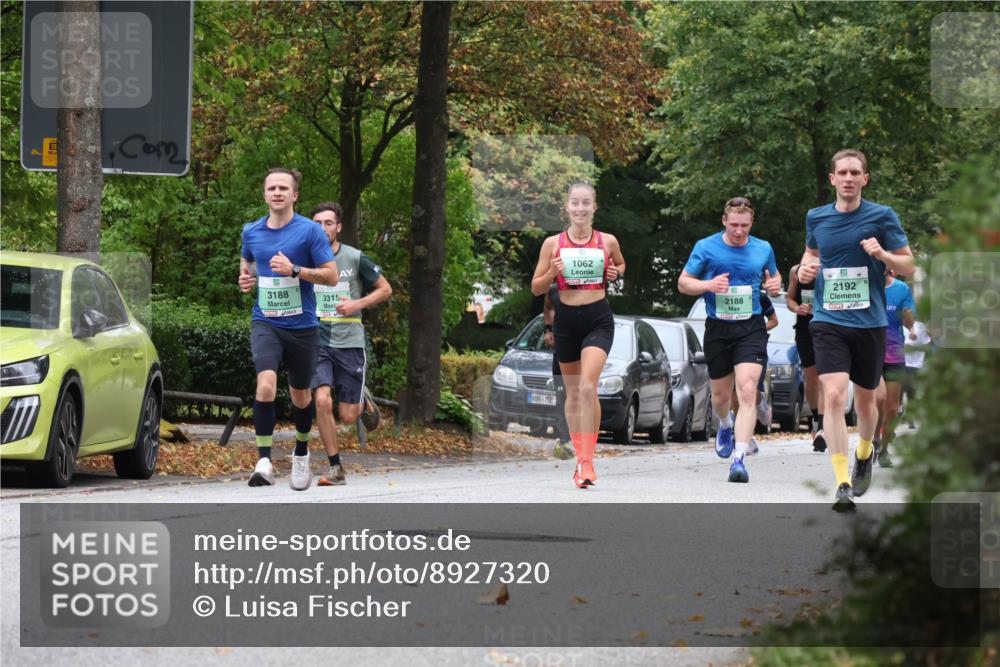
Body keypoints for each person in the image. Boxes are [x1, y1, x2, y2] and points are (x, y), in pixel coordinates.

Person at [796, 149, 915, 512]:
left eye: (855, 172)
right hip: (828, 320)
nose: (848, 178)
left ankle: (864, 452)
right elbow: (810, 255)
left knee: (867, 401)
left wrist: (883, 256)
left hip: (870, 323)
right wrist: (805, 270)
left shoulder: (882, 216)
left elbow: (909, 266)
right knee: (833, 396)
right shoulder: (816, 216)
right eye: (842, 173)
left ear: (865, 178)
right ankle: (842, 483)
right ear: (832, 178)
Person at [238, 168, 339, 490]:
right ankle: (264, 461)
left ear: (294, 194)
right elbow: (248, 262)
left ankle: (301, 452)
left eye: (283, 188)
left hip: (302, 326)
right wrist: (246, 278)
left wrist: (295, 269)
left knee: (300, 395)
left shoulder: (310, 232)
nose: (277, 192)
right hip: (266, 321)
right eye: (272, 188)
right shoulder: (251, 231)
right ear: (264, 194)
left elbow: (332, 276)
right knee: (265, 384)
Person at [678, 197, 781, 483]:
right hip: (718, 328)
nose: (739, 231)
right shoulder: (706, 247)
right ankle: (725, 424)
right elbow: (683, 282)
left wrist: (775, 286)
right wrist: (708, 285)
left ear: (752, 223)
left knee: (747, 390)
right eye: (734, 225)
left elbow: (774, 280)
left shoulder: (763, 248)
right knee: (721, 397)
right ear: (724, 221)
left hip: (751, 327)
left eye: (744, 226)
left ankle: (739, 458)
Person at [531, 181, 626, 488]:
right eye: (575, 203)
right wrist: (552, 272)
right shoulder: (552, 244)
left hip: (598, 319)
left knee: (587, 387)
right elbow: (536, 288)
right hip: (566, 322)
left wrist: (616, 272)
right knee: (573, 394)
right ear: (567, 207)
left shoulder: (607, 241)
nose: (581, 208)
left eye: (586, 203)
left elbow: (621, 264)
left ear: (594, 207)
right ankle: (579, 456)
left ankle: (587, 460)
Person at [309, 202, 393, 486]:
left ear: (338, 226)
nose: (323, 228)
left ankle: (363, 399)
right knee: (321, 400)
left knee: (347, 416)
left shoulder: (355, 258)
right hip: (317, 342)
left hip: (349, 342)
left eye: (328, 223)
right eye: (317, 224)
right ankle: (335, 467)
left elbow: (385, 289)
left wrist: (356, 304)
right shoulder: (305, 259)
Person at [874, 271, 915, 467]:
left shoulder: (901, 289)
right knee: (879, 399)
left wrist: (907, 315)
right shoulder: (866, 284)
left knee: (892, 407)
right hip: (870, 352)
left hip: (894, 353)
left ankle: (884, 449)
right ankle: (873, 438)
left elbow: (909, 323)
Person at [787, 262, 826, 452]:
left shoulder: (832, 267)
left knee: (826, 378)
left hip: (828, 327)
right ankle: (816, 418)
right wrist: (797, 308)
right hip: (805, 329)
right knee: (811, 380)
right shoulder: (796, 271)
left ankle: (824, 428)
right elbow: (790, 300)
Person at [732, 293, 777, 455]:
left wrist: (755, 331)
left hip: (753, 349)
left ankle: (761, 404)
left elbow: (774, 320)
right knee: (736, 395)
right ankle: (744, 437)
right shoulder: (724, 294)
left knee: (751, 391)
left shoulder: (760, 297)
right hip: (731, 347)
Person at [543, 281, 573, 460]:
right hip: (560, 350)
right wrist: (548, 329)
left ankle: (579, 439)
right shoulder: (553, 289)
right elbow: (548, 307)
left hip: (580, 352)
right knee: (561, 394)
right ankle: (563, 440)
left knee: (576, 395)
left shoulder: (586, 287)